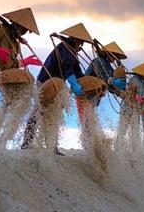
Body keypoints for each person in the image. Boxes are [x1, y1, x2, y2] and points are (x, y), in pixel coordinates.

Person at [21, 23, 93, 154]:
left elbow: (78, 72)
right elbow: (68, 69)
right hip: (45, 81)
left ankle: (52, 146)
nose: (81, 44)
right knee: (39, 110)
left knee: (55, 114)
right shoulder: (65, 49)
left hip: (58, 85)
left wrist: (85, 84)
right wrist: (74, 84)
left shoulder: (72, 52)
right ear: (75, 39)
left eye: (82, 42)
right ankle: (26, 142)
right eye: (80, 41)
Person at [118, 62, 144, 152]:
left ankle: (134, 152)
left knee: (135, 131)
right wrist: (142, 99)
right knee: (123, 129)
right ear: (141, 73)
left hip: (136, 110)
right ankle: (118, 148)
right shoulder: (134, 80)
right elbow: (131, 95)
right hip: (127, 107)